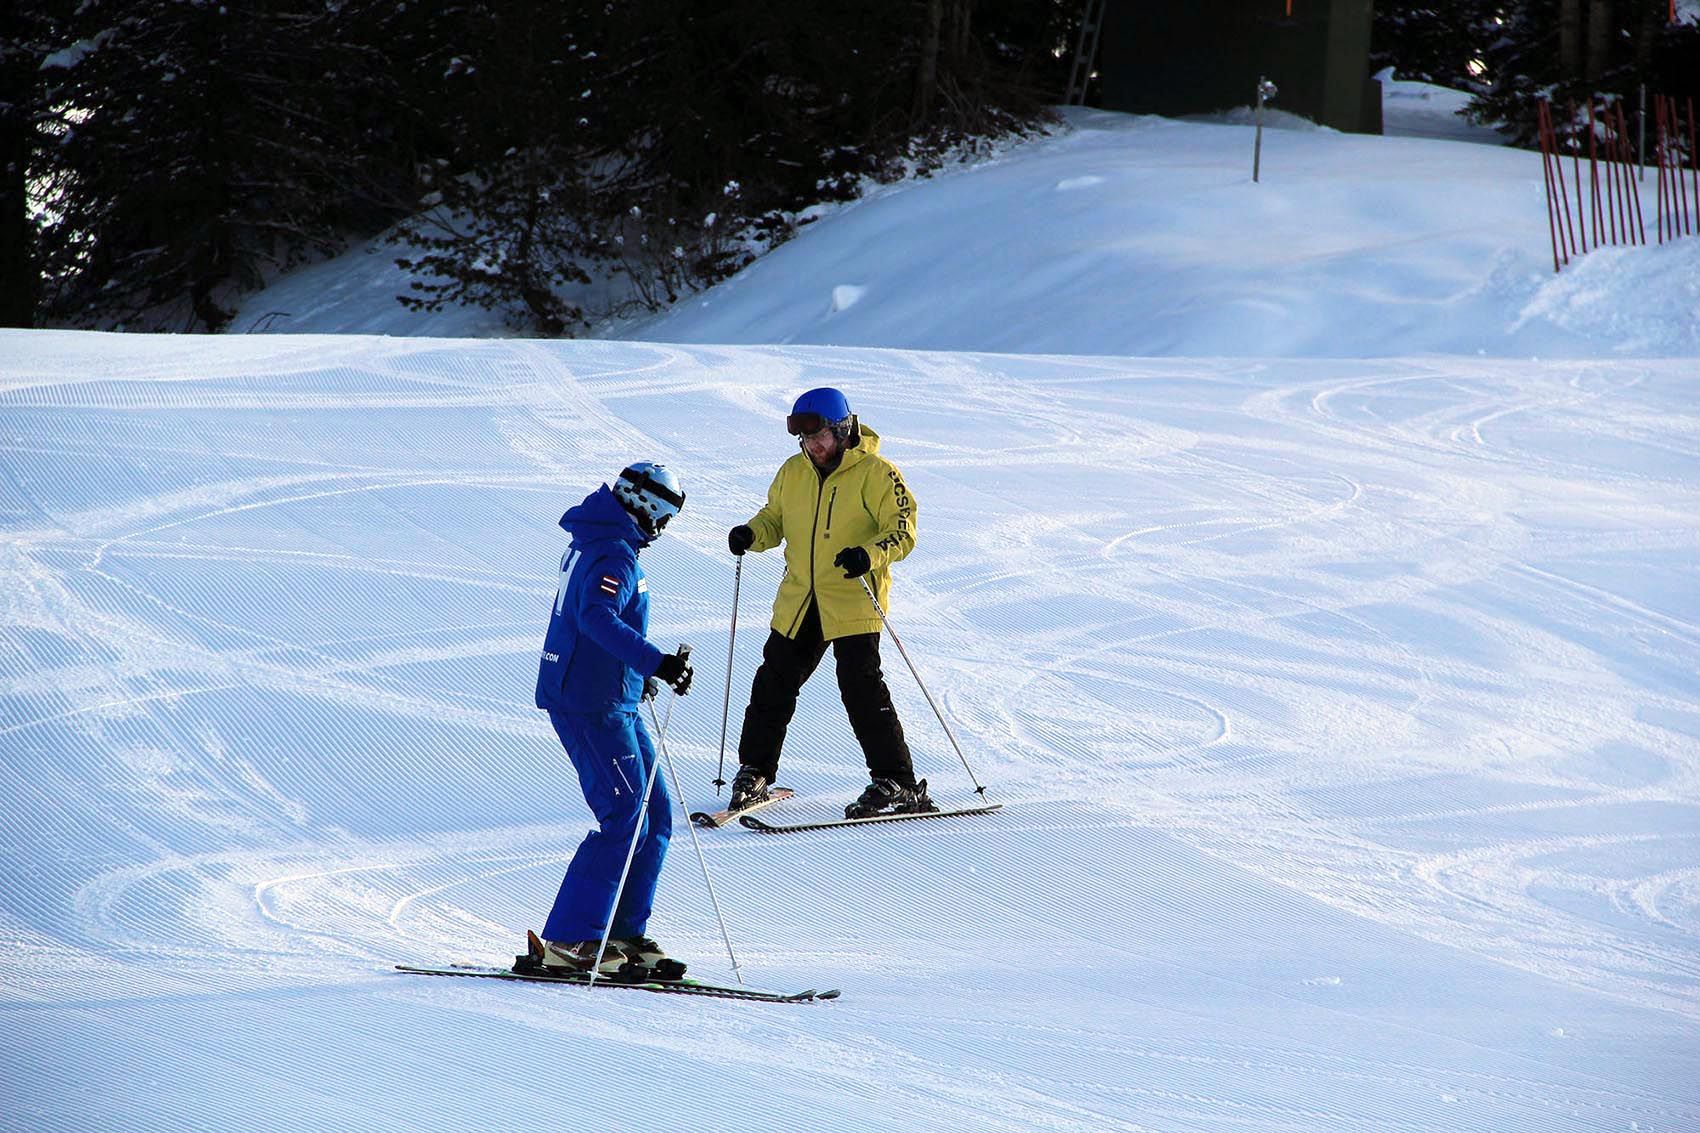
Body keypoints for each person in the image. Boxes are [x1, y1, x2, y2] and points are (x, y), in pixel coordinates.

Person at [725, 388, 936, 820]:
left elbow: (903, 531)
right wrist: (751, 533)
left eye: (819, 436)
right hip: (800, 599)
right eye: (804, 439)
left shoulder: (876, 473)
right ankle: (755, 772)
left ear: (842, 430)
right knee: (773, 685)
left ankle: (897, 782)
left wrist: (868, 555)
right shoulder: (793, 472)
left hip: (853, 598)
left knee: (861, 689)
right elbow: (774, 519)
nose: (812, 446)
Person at [529, 462, 694, 977]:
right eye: (663, 516)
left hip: (612, 696)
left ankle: (622, 932)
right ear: (643, 506)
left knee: (657, 816)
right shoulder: (613, 553)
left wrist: (637, 674)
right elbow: (595, 617)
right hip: (589, 703)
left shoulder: (604, 539)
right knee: (624, 815)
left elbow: (598, 626)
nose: (662, 529)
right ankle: (569, 939)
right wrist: (656, 662)